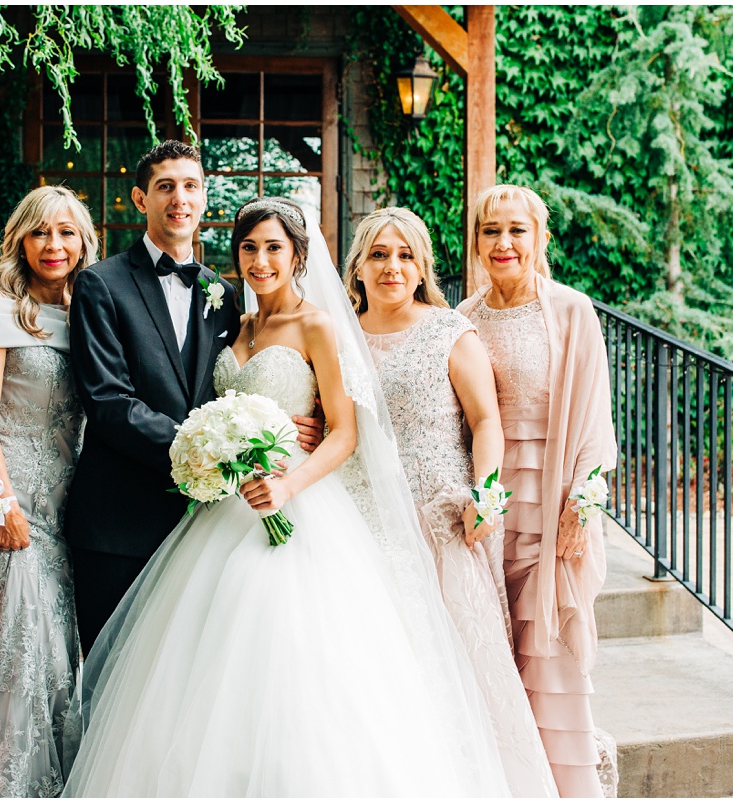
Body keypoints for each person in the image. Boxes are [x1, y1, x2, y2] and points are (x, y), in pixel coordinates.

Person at [61, 198, 513, 796]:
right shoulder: (230, 324)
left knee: (290, 651)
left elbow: (345, 432)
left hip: (296, 504)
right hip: (224, 505)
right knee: (204, 659)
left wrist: (287, 483)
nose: (260, 260)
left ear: (299, 256)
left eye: (274, 247)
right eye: (249, 247)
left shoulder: (317, 326)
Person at [64, 140, 322, 655]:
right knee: (110, 680)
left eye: (190, 186)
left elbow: (239, 387)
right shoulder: (100, 284)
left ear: (203, 198)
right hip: (120, 520)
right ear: (141, 199)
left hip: (206, 526)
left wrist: (295, 427)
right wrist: (211, 451)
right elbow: (108, 401)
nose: (179, 199)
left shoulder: (223, 295)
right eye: (165, 187)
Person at [349, 207, 557, 797]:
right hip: (363, 522)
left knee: (457, 664)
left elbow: (487, 422)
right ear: (358, 266)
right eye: (380, 254)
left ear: (423, 268)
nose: (393, 266)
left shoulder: (448, 330)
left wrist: (486, 496)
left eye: (406, 255)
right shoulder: (338, 334)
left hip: (443, 518)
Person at [458, 184, 617, 797]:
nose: (504, 244)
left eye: (516, 231)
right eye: (491, 231)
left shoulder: (574, 312)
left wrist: (584, 502)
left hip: (553, 505)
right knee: (493, 655)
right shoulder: (463, 320)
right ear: (476, 243)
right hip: (486, 506)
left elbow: (598, 423)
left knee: (549, 660)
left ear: (541, 239)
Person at [0, 186, 97, 797]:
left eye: (67, 233)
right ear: (21, 239)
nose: (54, 245)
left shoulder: (90, 314)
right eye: (41, 232)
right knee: (27, 652)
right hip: (7, 507)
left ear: (84, 241)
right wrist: (2, 504)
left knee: (60, 652)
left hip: (65, 509)